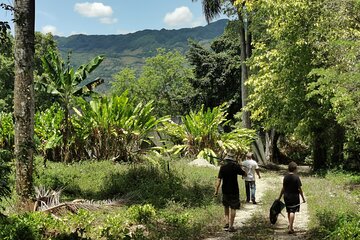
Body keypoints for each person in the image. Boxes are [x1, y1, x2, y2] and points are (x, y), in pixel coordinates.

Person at [214, 153, 247, 232]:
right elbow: (244, 174)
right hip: (234, 190)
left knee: (226, 206)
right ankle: (231, 226)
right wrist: (241, 168)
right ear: (233, 160)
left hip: (225, 190)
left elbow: (219, 179)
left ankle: (226, 223)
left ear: (226, 160)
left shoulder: (222, 168)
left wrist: (216, 190)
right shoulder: (236, 167)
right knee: (233, 207)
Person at [277, 161, 306, 234]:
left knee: (289, 211)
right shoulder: (296, 177)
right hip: (294, 196)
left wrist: (279, 197)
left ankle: (290, 225)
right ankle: (290, 227)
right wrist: (303, 198)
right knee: (293, 211)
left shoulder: (285, 177)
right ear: (295, 169)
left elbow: (283, 188)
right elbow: (299, 189)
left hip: (286, 196)